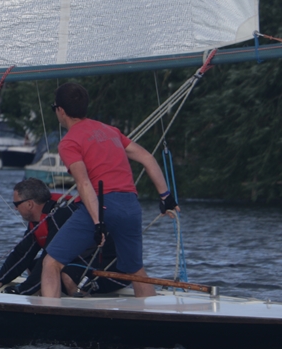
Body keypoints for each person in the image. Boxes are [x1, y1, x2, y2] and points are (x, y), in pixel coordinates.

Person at [41, 83, 180, 298]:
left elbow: (84, 183)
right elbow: (147, 158)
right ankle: (152, 314)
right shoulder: (110, 131)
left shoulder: (69, 142)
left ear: (60, 110)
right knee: (136, 271)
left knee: (51, 263)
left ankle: (49, 314)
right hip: (130, 206)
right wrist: (166, 197)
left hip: (102, 206)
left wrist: (98, 223)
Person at [0, 178, 127, 295]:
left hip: (112, 267)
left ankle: (81, 310)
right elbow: (21, 254)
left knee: (67, 274)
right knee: (33, 265)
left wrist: (22, 290)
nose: (14, 208)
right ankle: (45, 300)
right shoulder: (41, 219)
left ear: (30, 204)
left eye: (16, 204)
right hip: (86, 261)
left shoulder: (61, 215)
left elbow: (48, 257)